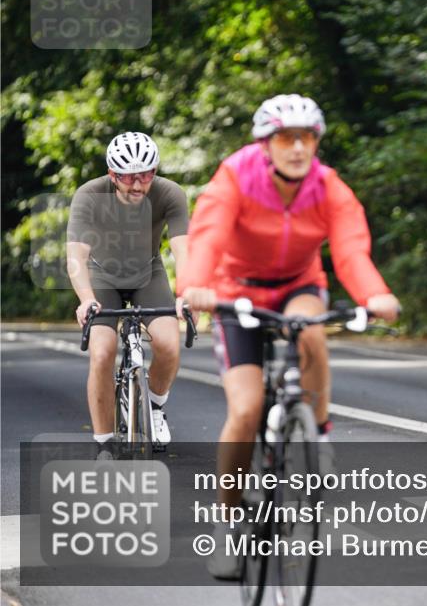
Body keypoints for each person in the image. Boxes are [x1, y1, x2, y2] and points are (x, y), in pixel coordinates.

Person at [179, 94, 400, 579]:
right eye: (285, 138)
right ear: (266, 144)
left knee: (311, 336)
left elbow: (351, 251)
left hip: (298, 285)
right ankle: (228, 523)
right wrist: (193, 285)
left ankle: (317, 436)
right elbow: (207, 236)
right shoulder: (236, 176)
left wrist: (376, 295)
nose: (297, 148)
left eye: (307, 138)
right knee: (244, 410)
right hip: (237, 293)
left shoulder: (329, 187)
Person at [66, 132, 190, 457]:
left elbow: (184, 251)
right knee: (102, 353)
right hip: (102, 276)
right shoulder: (89, 195)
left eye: (145, 175)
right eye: (127, 177)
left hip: (148, 273)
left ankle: (156, 406)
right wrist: (86, 298)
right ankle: (104, 443)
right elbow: (76, 257)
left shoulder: (169, 193)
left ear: (155, 172)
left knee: (169, 344)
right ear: (112, 174)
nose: (137, 185)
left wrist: (187, 292)